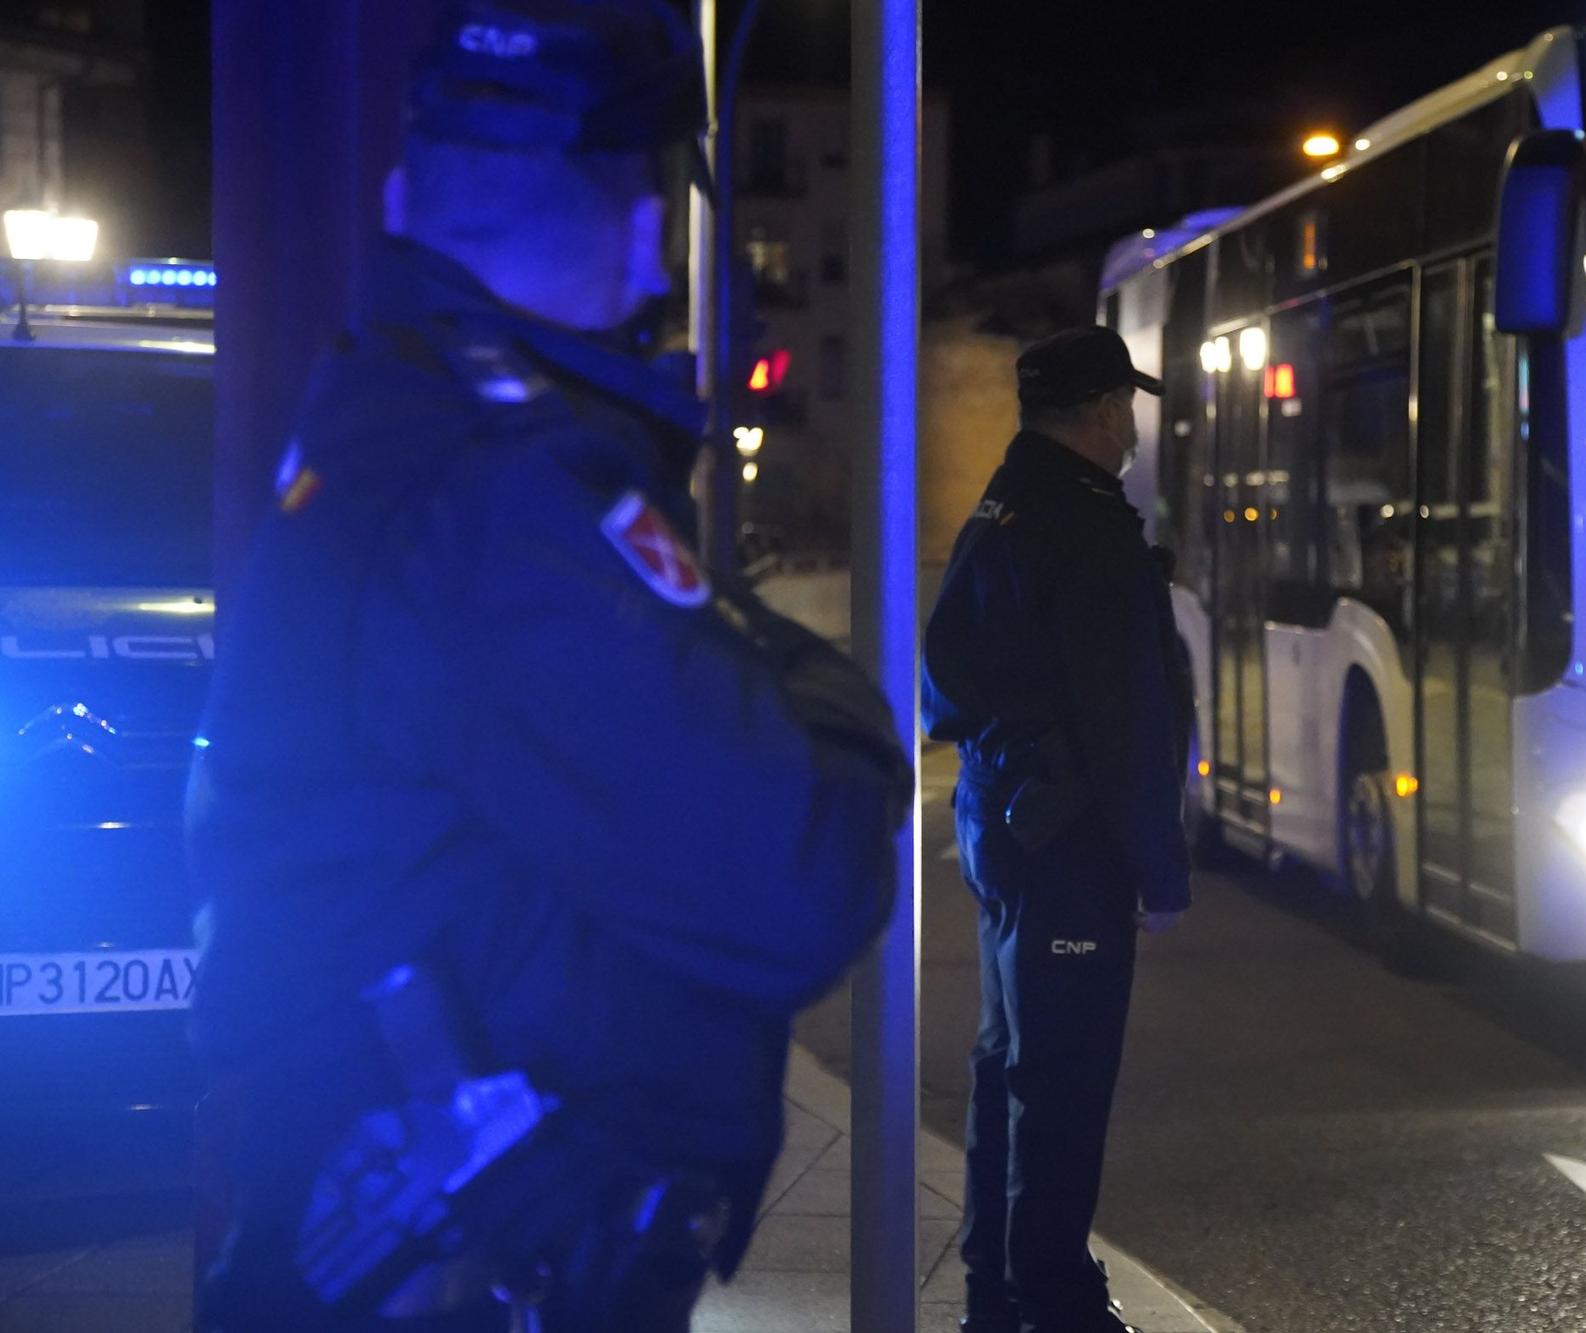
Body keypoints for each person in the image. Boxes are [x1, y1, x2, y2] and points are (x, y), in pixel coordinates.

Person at [185, 2, 908, 1328]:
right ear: (646, 238)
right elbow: (801, 873)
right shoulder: (506, 494)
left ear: (405, 195)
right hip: (474, 1277)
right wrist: (834, 701)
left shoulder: (393, 412)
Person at [921, 326, 1193, 1333]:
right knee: (1062, 1082)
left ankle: (997, 1295)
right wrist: (1157, 870)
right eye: (1126, 404)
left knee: (1010, 1071)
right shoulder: (1083, 527)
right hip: (1066, 847)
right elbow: (1125, 718)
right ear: (1101, 409)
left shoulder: (1004, 505)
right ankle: (1053, 1303)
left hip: (1005, 828)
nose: (1129, 423)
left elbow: (940, 675)